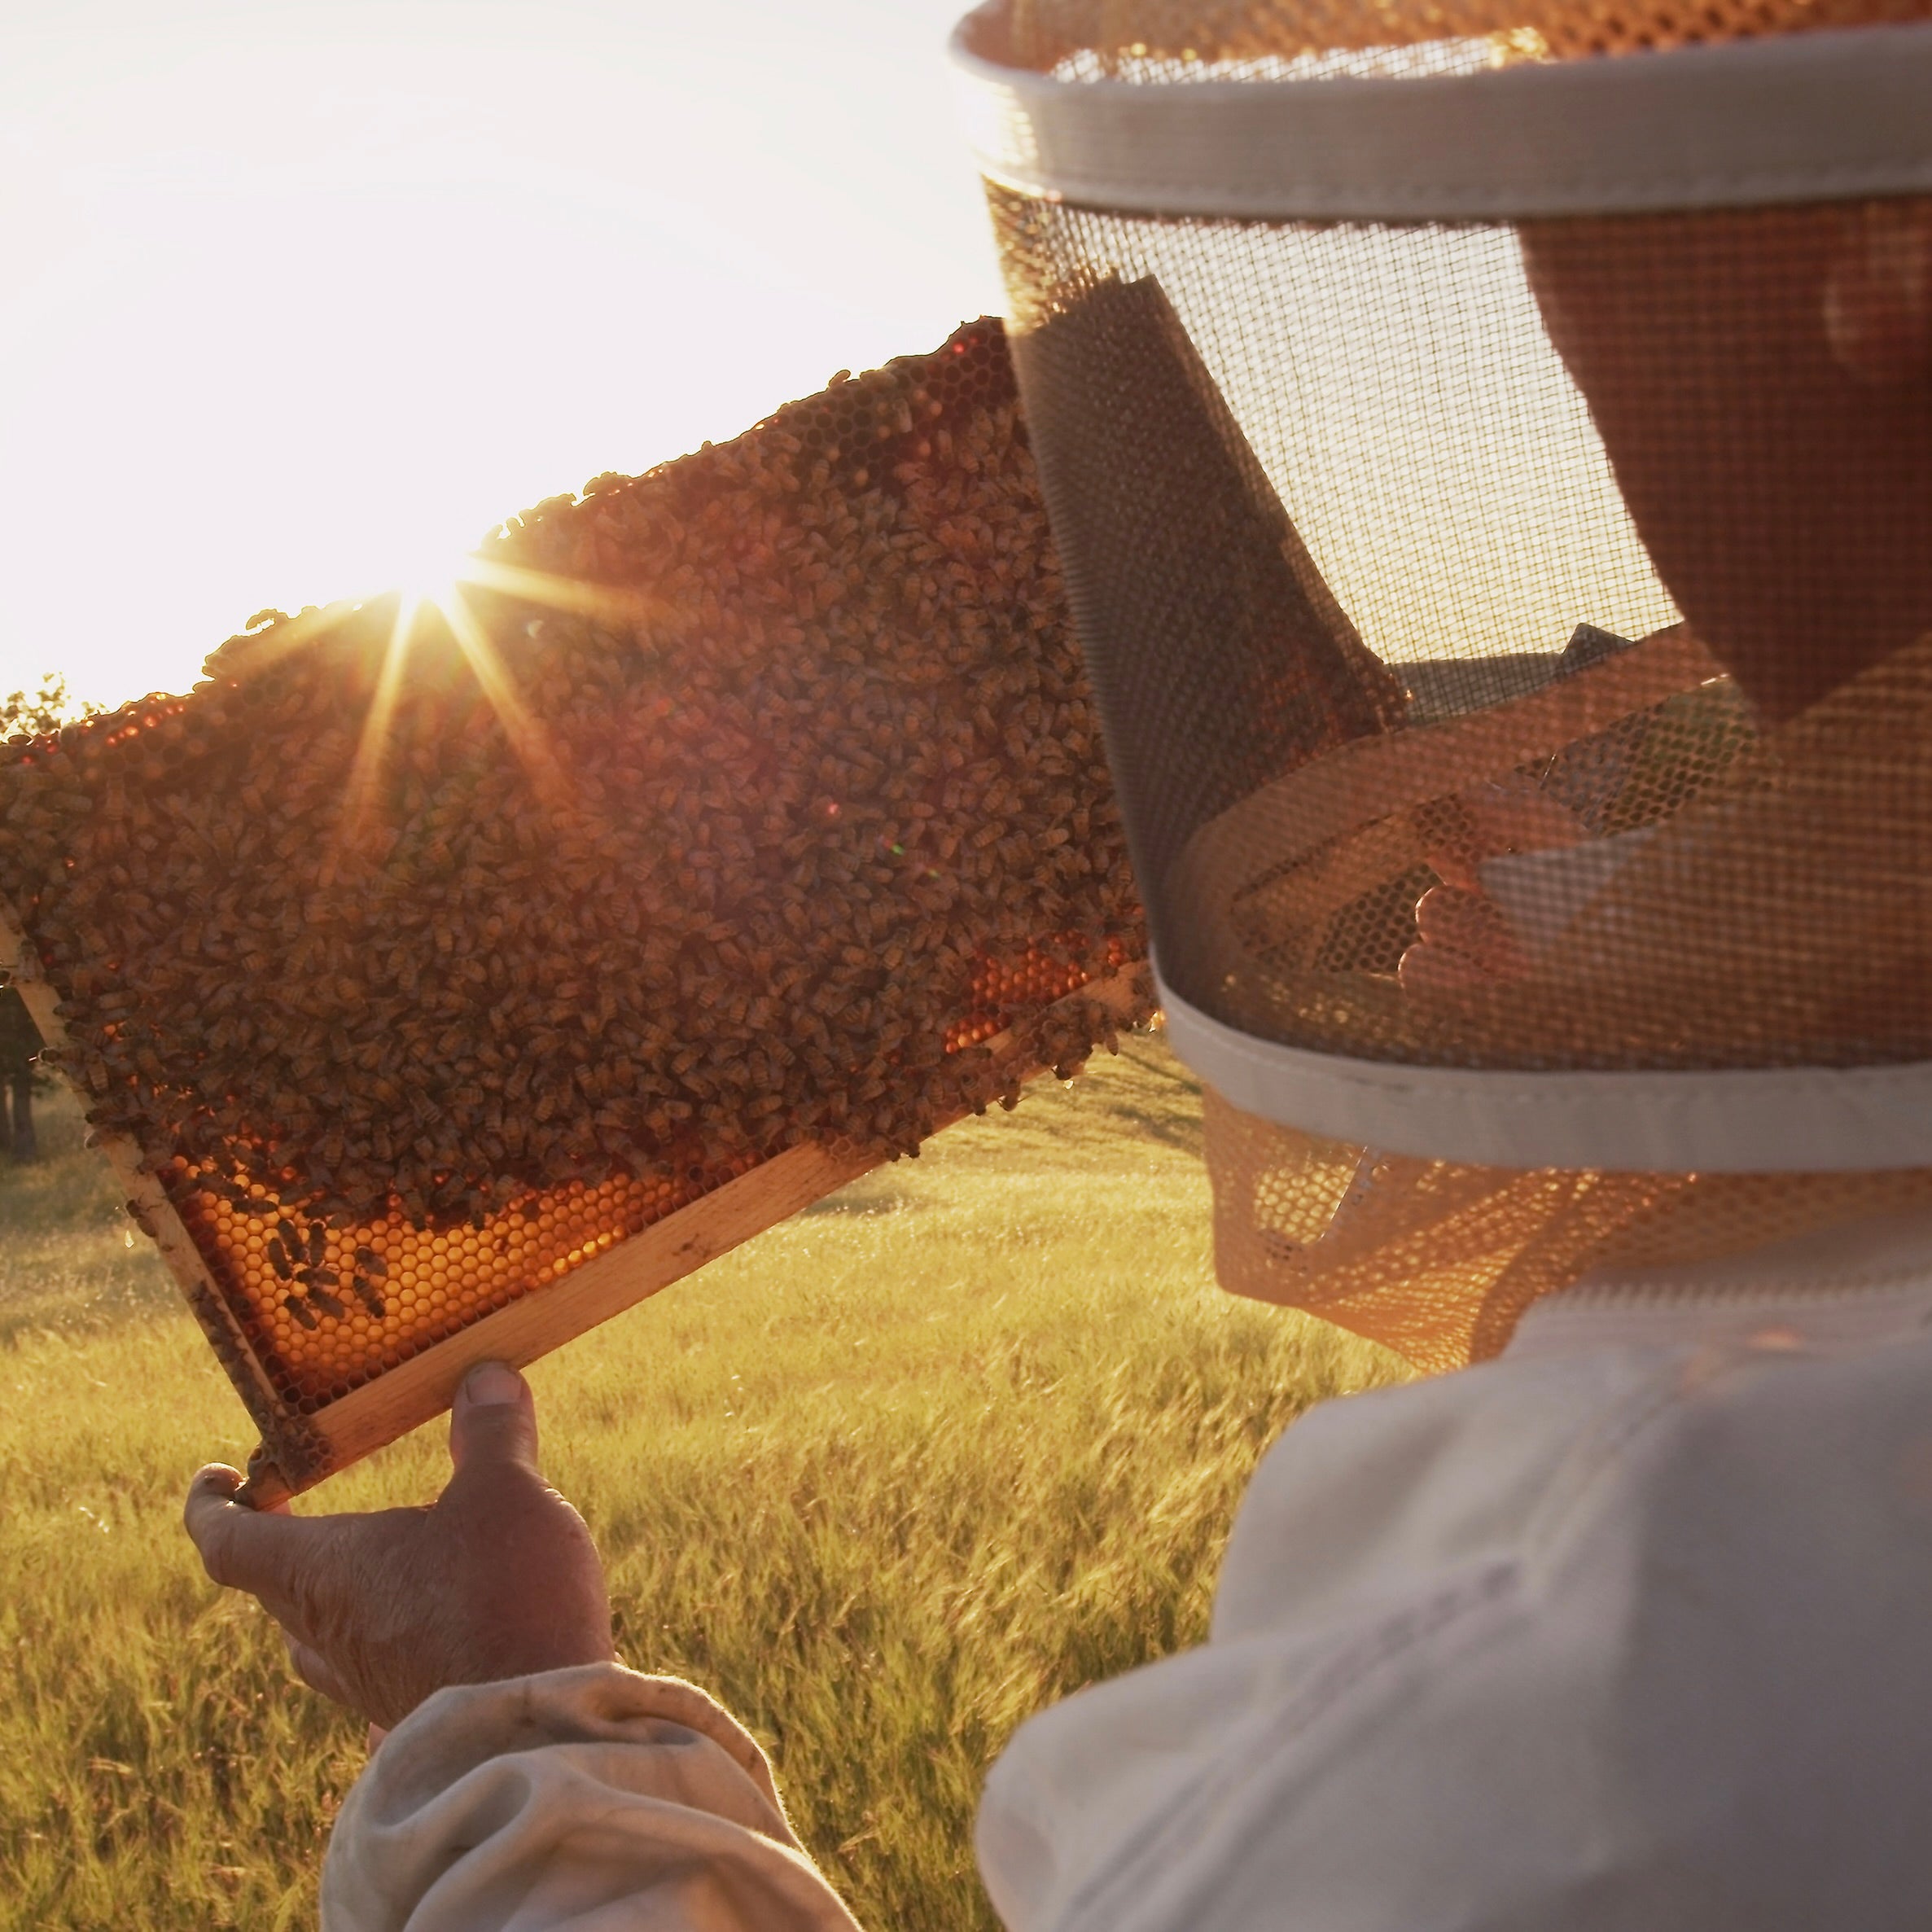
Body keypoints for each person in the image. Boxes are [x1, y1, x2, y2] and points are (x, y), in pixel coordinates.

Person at [186, 172, 1932, 1932]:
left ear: (1882, 268)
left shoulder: (1644, 1657)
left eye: (1570, 148)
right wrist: (1639, 988)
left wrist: (507, 1729)